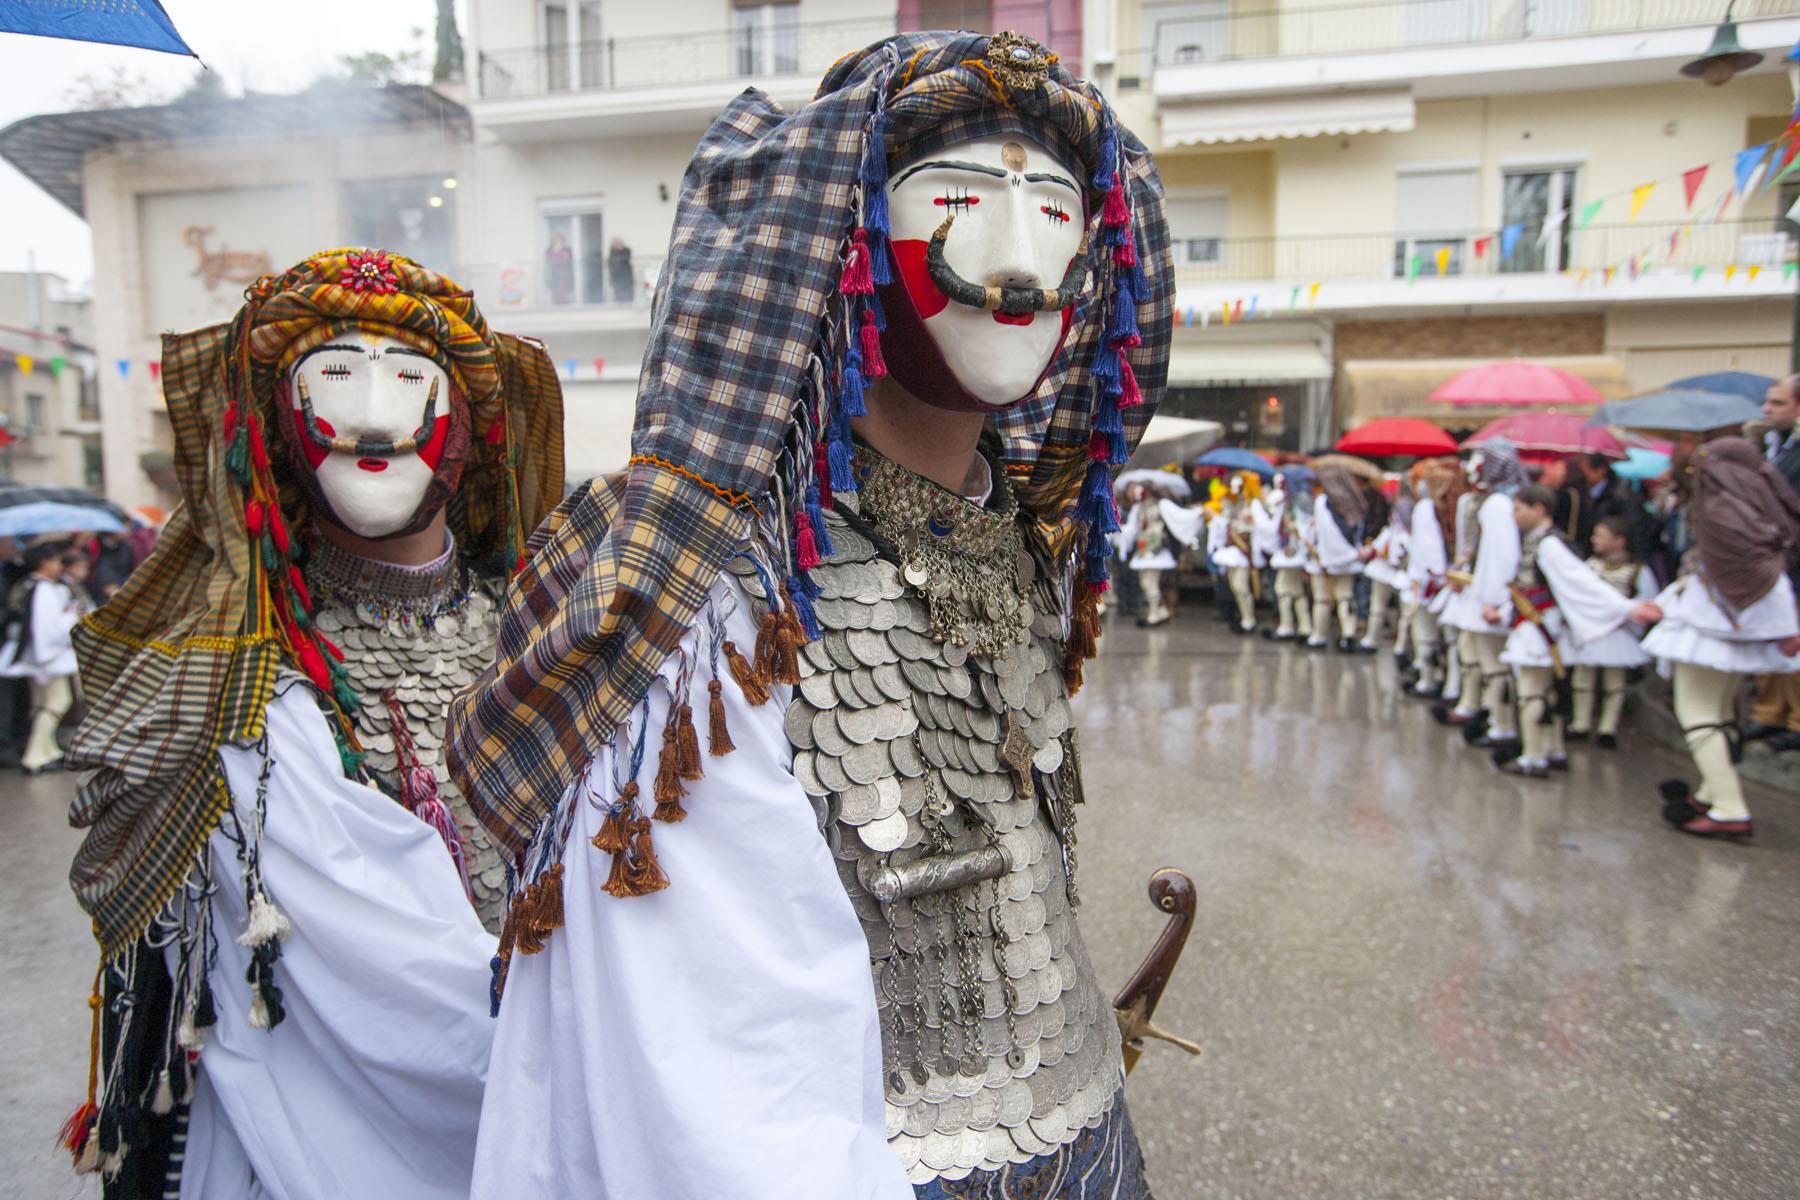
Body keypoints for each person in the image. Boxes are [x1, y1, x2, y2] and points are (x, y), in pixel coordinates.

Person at [448, 31, 1168, 1197]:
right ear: (844, 246)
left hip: (1090, 1139)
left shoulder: (1018, 550)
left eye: (1054, 208)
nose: (1015, 256)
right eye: (957, 196)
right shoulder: (720, 597)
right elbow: (712, 1081)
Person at [60, 249, 566, 1197]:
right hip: (307, 1141)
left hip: (555, 1114)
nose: (373, 414)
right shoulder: (225, 675)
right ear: (276, 428)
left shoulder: (553, 634)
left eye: (409, 377)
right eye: (336, 372)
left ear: (469, 423)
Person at [1642, 437, 1800, 839]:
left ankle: (1729, 808)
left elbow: (1755, 578)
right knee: (1720, 713)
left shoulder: (1722, 510)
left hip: (1715, 628)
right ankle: (1712, 791)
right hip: (1734, 629)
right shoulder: (1756, 507)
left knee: (1697, 714)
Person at [1435, 441, 1529, 750]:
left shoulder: (1500, 505)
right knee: (1476, 657)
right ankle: (1479, 710)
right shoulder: (1495, 502)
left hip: (1491, 597)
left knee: (1493, 665)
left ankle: (1500, 724)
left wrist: (1494, 599)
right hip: (1481, 592)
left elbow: (1502, 557)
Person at [1565, 514, 1656, 749]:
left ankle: (1608, 727)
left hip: (1618, 633)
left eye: (1601, 536)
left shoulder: (1636, 571)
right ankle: (1580, 723)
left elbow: (1646, 601)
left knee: (1614, 682)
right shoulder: (1590, 566)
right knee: (1583, 678)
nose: (1594, 540)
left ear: (1619, 540)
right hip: (1590, 630)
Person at [1744, 373, 1800, 749]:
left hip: (1794, 554)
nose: (1767, 409)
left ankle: (1796, 722)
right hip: (1773, 555)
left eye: (1778, 403)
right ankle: (1769, 714)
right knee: (1773, 632)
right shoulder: (1774, 445)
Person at [7, 543, 79, 774]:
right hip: (48, 658)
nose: (59, 566)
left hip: (37, 657)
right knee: (56, 703)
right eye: (56, 561)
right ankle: (36, 754)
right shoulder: (44, 590)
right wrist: (70, 618)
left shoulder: (30, 586)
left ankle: (47, 750)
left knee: (41, 705)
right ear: (44, 563)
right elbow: (47, 629)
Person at [1402, 458, 1457, 697]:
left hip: (1431, 581)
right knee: (1453, 640)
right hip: (1453, 579)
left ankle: (1428, 679)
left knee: (1426, 634)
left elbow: (1428, 548)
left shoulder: (1425, 507)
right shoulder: (1456, 504)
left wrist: (1433, 577)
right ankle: (1451, 686)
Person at [1120, 482, 1202, 627]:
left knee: (1150, 582)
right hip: (1143, 549)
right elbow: (1131, 529)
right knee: (1144, 583)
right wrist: (1118, 528)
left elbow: (1180, 516)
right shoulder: (1138, 508)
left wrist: (1198, 512)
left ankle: (1154, 614)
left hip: (1156, 550)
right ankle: (1161, 610)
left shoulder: (1161, 504)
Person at [1309, 465, 1366, 652]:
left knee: (1322, 600)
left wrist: (1324, 558)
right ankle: (1347, 635)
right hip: (1349, 559)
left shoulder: (1323, 502)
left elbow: (1324, 534)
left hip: (1326, 558)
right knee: (1345, 597)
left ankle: (1319, 635)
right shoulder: (1353, 502)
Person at [1255, 470, 1312, 641]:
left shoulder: (1298, 501)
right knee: (1295, 591)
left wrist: (1293, 542)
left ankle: (1288, 626)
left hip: (1293, 553)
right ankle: (1303, 626)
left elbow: (1301, 526)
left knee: (1284, 590)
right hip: (1288, 552)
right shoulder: (1287, 501)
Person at [1207, 470, 1260, 634]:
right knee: (1234, 587)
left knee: (1241, 587)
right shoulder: (1228, 504)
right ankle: (1243, 617)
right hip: (1231, 551)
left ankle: (1248, 619)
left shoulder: (1251, 505)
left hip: (1243, 550)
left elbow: (1251, 528)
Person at [1360, 490, 1408, 655]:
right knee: (1378, 606)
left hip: (1402, 574)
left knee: (1405, 611)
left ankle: (1401, 644)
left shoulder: (1406, 535)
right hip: (1383, 570)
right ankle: (1372, 637)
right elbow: (1377, 546)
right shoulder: (1390, 531)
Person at [546, 229, 575, 305]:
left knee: (563, 295)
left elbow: (567, 260)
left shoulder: (567, 250)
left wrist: (559, 253)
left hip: (564, 276)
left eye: (559, 240)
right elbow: (550, 260)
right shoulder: (549, 250)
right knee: (555, 296)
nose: (557, 242)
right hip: (554, 276)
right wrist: (555, 252)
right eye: (555, 240)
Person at [608, 237, 635, 304]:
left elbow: (626, 258)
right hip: (618, 280)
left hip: (626, 279)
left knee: (628, 296)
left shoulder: (626, 251)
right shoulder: (612, 253)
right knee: (619, 297)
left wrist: (620, 249)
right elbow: (612, 265)